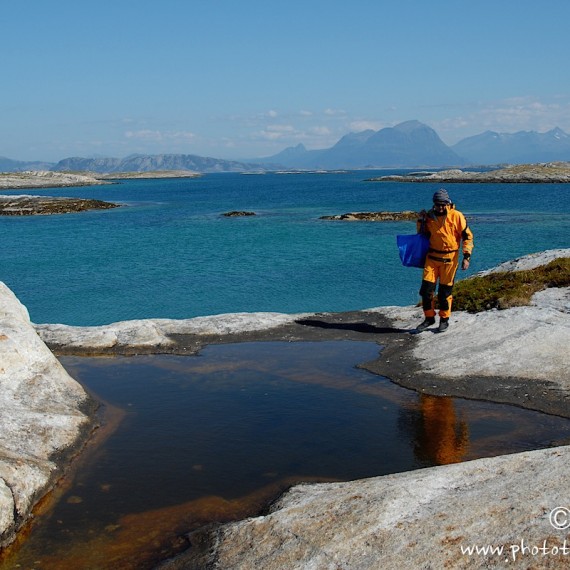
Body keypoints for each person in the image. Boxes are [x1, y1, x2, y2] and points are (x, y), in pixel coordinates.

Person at [416, 189, 474, 333]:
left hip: (449, 259)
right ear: (434, 204)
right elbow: (421, 235)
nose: (440, 207)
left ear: (447, 203)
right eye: (437, 205)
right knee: (426, 291)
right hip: (432, 258)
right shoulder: (428, 217)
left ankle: (444, 319)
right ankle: (429, 318)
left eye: (443, 204)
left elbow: (467, 236)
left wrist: (466, 257)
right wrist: (420, 221)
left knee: (444, 292)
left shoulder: (457, 216)